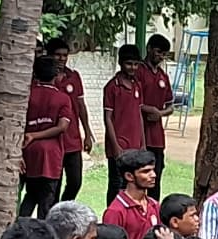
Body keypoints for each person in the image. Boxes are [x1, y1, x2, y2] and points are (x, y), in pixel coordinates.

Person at [19, 57, 73, 219]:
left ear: (34, 73)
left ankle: (20, 228)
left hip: (29, 152)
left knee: (30, 194)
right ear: (56, 75)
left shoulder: (27, 95)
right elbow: (62, 127)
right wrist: (37, 135)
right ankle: (45, 236)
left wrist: (32, 135)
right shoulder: (62, 98)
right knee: (47, 200)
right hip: (51, 155)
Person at [103, 149, 161, 239]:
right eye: (146, 171)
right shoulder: (115, 212)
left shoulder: (154, 205)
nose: (153, 175)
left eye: (153, 170)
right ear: (129, 176)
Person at [46, 39, 96, 203]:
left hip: (73, 139)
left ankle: (64, 207)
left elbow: (81, 106)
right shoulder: (44, 78)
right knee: (55, 183)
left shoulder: (73, 77)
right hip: (53, 140)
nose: (61, 59)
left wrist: (87, 133)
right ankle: (53, 216)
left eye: (64, 55)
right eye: (57, 55)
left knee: (75, 181)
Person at [103, 44, 145, 204]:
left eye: (136, 64)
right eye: (129, 64)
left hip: (135, 144)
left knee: (133, 182)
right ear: (120, 63)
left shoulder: (137, 85)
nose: (133, 67)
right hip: (119, 144)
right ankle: (111, 220)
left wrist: (143, 143)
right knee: (116, 183)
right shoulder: (112, 87)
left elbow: (139, 115)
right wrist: (115, 146)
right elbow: (108, 118)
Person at [138, 35, 173, 199]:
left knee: (155, 176)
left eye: (164, 54)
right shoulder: (138, 71)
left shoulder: (163, 76)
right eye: (158, 52)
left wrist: (160, 113)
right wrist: (148, 109)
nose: (161, 57)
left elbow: (170, 106)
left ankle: (154, 210)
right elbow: (133, 102)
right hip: (139, 135)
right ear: (149, 48)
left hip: (157, 137)